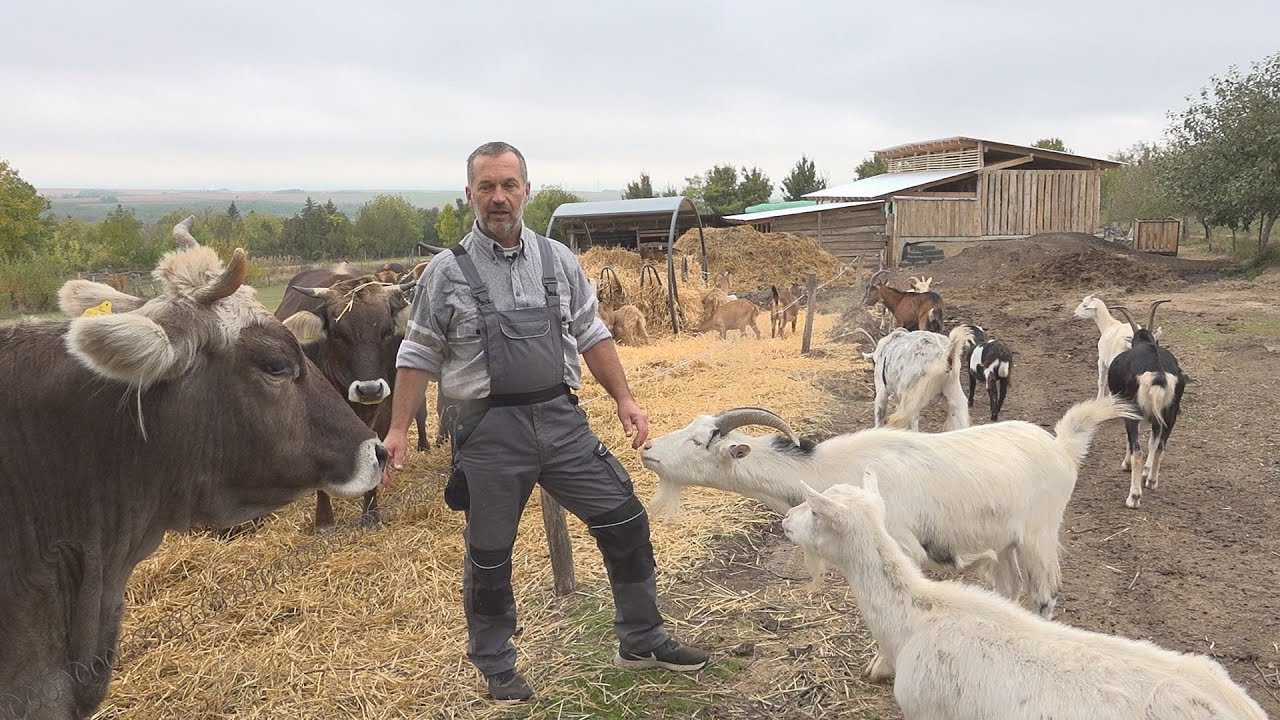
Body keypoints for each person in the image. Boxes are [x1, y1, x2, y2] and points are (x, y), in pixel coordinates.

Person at [382, 141, 708, 702]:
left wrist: (625, 399)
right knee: (489, 554)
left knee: (625, 519)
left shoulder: (558, 260)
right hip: (486, 434)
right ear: (470, 195)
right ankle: (496, 663)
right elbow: (417, 354)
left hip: (562, 424)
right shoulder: (445, 272)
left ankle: (641, 637)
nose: (499, 197)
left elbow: (592, 334)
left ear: (527, 190)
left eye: (509, 185)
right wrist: (395, 430)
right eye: (487, 187)